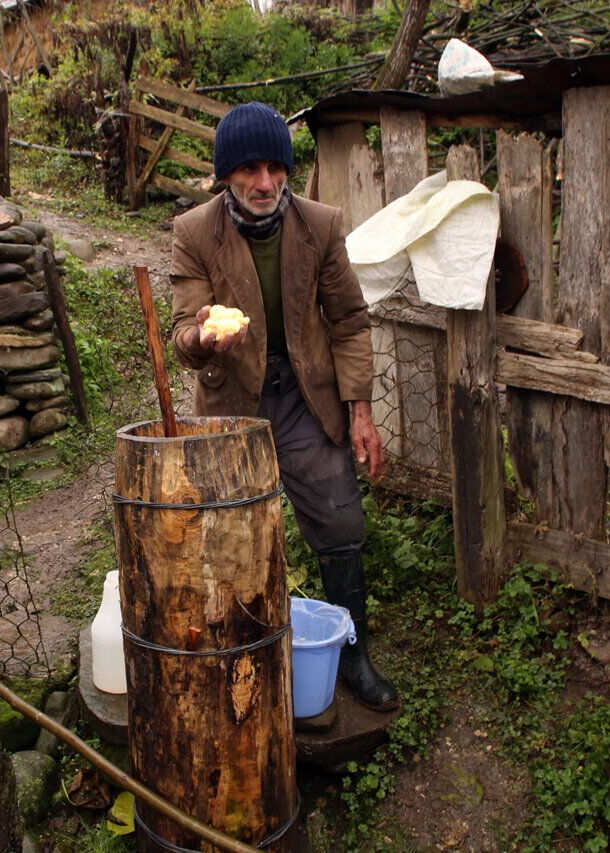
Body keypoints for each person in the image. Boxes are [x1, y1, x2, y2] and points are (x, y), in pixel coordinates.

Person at [169, 101, 399, 712]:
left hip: (303, 391)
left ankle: (352, 654)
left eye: (276, 167)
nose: (265, 183)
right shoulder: (195, 232)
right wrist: (203, 336)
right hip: (231, 399)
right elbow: (182, 335)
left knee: (338, 520)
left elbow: (348, 319)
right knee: (224, 528)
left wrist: (360, 410)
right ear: (225, 176)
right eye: (249, 169)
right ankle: (235, 653)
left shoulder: (319, 225)